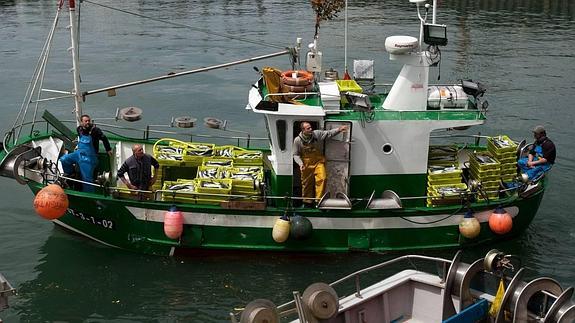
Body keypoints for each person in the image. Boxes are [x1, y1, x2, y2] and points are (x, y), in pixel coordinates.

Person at [293, 122, 348, 207]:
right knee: (307, 183)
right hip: (306, 164)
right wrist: (300, 164)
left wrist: (339, 129)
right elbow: (296, 155)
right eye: (308, 128)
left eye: (310, 127)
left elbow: (328, 133)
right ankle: (307, 202)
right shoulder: (297, 140)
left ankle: (318, 201)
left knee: (323, 178)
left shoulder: (317, 134)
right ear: (303, 130)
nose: (311, 129)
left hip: (318, 162)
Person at [60, 114, 113, 192]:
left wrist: (108, 149)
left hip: (89, 158)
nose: (88, 122)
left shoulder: (95, 131)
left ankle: (90, 194)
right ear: (81, 123)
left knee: (87, 180)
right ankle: (70, 176)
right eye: (86, 121)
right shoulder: (79, 129)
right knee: (64, 159)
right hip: (78, 154)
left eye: (89, 121)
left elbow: (104, 138)